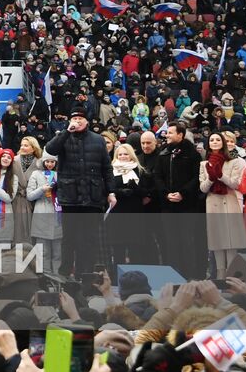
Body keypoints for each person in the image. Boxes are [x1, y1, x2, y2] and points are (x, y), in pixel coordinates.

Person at [43, 108, 109, 276]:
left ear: (87, 122)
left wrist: (111, 191)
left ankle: (85, 273)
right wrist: (66, 132)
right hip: (70, 197)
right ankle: (65, 273)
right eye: (75, 119)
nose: (77, 121)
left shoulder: (98, 140)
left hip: (92, 197)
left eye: (80, 119)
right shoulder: (64, 137)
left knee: (89, 239)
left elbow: (106, 168)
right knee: (69, 239)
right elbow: (50, 149)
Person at [154, 121, 203, 277]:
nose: (166, 135)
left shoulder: (193, 154)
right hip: (168, 206)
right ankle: (172, 274)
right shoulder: (163, 153)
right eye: (167, 132)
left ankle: (189, 274)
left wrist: (183, 193)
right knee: (171, 242)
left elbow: (196, 177)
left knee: (187, 241)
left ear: (180, 135)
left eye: (170, 133)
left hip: (187, 205)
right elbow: (158, 176)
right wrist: (166, 193)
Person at [199, 131, 246, 278]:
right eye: (211, 140)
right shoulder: (204, 163)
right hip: (213, 202)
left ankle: (231, 275)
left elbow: (236, 184)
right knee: (217, 240)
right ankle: (220, 274)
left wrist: (220, 175)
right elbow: (203, 188)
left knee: (231, 240)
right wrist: (212, 178)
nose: (214, 142)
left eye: (217, 139)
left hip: (230, 201)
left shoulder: (235, 161)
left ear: (223, 142)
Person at [106, 142, 154, 265]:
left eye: (126, 154)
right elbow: (106, 189)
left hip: (135, 213)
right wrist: (120, 192)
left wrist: (136, 188)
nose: (122, 156)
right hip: (117, 213)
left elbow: (147, 192)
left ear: (131, 155)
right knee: (118, 249)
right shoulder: (111, 170)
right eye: (120, 154)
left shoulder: (140, 171)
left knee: (135, 249)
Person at [26, 152, 62, 272]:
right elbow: (30, 196)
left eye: (52, 162)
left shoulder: (60, 174)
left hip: (58, 211)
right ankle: (45, 275)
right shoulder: (36, 174)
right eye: (47, 161)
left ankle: (57, 275)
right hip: (41, 212)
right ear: (42, 162)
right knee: (43, 250)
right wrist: (42, 189)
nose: (50, 164)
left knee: (58, 250)